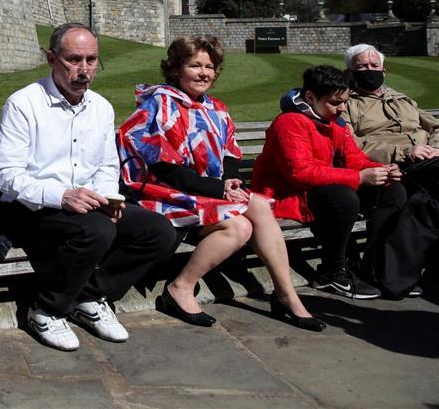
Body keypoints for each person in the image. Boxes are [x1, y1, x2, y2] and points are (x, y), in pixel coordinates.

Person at [117, 36, 324, 331]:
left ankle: (188, 289)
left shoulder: (216, 108)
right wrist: (220, 188)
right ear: (175, 69)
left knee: (246, 220)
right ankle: (284, 296)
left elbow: (230, 150)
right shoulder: (158, 105)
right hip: (163, 195)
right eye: (195, 65)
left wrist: (228, 180)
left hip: (202, 194)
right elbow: (163, 168)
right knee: (251, 213)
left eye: (210, 67)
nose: (204, 73)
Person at [0, 23, 176, 351]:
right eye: (74, 59)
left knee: (159, 230)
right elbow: (6, 175)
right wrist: (61, 196)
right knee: (97, 230)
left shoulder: (101, 107)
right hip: (33, 208)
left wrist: (109, 196)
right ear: (51, 58)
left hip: (86, 205)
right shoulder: (24, 104)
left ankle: (89, 297)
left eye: (91, 60)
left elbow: (107, 165)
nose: (84, 70)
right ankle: (46, 309)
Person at [251, 65, 403, 300]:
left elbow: (354, 158)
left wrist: (380, 170)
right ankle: (331, 271)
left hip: (320, 189)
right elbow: (299, 173)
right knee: (343, 198)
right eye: (335, 102)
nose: (342, 108)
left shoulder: (334, 122)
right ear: (310, 97)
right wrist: (360, 177)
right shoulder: (290, 122)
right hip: (290, 194)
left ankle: (374, 266)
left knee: (392, 192)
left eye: (345, 101)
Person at [342, 43, 435, 296]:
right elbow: (351, 144)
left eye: (375, 66)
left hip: (428, 162)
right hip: (392, 167)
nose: (369, 70)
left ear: (384, 70)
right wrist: (404, 152)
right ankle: (390, 273)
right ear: (349, 71)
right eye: (362, 66)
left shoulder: (402, 99)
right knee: (406, 197)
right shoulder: (347, 104)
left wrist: (435, 148)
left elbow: (435, 126)